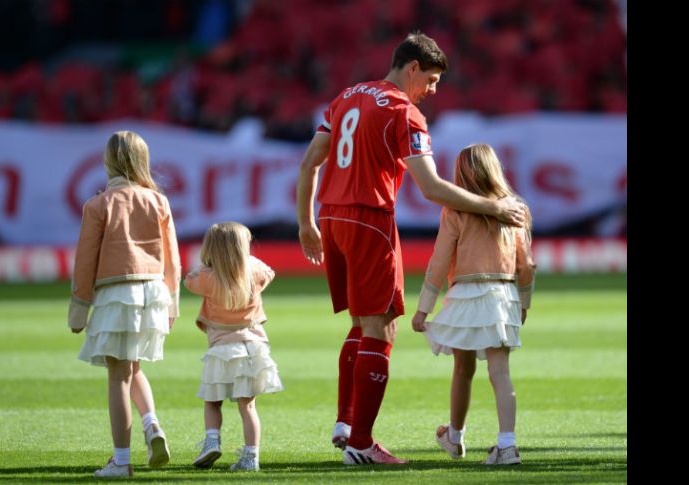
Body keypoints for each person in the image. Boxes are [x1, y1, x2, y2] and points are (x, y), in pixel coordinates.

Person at [296, 31, 527, 466]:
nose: (433, 91)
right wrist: (493, 206)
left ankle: (346, 423)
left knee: (362, 322)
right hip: (369, 219)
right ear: (413, 67)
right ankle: (362, 443)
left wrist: (306, 223)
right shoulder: (404, 114)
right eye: (433, 79)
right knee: (382, 328)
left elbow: (310, 162)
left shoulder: (346, 96)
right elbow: (432, 188)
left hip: (330, 216)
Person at [411, 143, 536, 465]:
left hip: (466, 293)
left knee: (462, 370)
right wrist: (524, 302)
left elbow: (439, 262)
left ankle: (455, 436)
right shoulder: (516, 208)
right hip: (503, 294)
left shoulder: (455, 210)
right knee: (500, 372)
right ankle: (506, 444)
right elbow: (526, 264)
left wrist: (424, 307)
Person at [68, 131, 181, 478]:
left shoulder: (98, 204)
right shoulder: (158, 201)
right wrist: (173, 301)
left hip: (118, 293)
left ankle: (121, 460)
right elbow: (172, 257)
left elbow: (85, 260)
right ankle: (151, 425)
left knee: (117, 375)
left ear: (108, 161)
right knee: (132, 367)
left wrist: (79, 307)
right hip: (153, 291)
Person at [185, 222, 283, 472]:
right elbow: (269, 272)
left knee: (212, 401)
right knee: (248, 406)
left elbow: (188, 280)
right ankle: (251, 456)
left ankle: (211, 441)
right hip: (253, 348)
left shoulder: (206, 277)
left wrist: (208, 262)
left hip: (221, 348)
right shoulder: (253, 271)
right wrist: (247, 260)